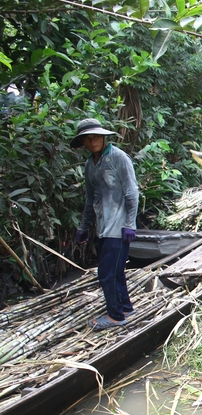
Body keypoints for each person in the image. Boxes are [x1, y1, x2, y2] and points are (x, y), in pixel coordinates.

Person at [72, 118, 139, 330]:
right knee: (116, 272)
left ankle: (115, 316)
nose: (93, 142)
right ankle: (125, 307)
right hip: (102, 228)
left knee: (106, 274)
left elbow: (132, 193)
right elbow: (90, 200)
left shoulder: (119, 158)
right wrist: (83, 227)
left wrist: (130, 224)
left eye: (95, 137)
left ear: (103, 136)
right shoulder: (89, 166)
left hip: (119, 229)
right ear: (82, 142)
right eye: (87, 139)